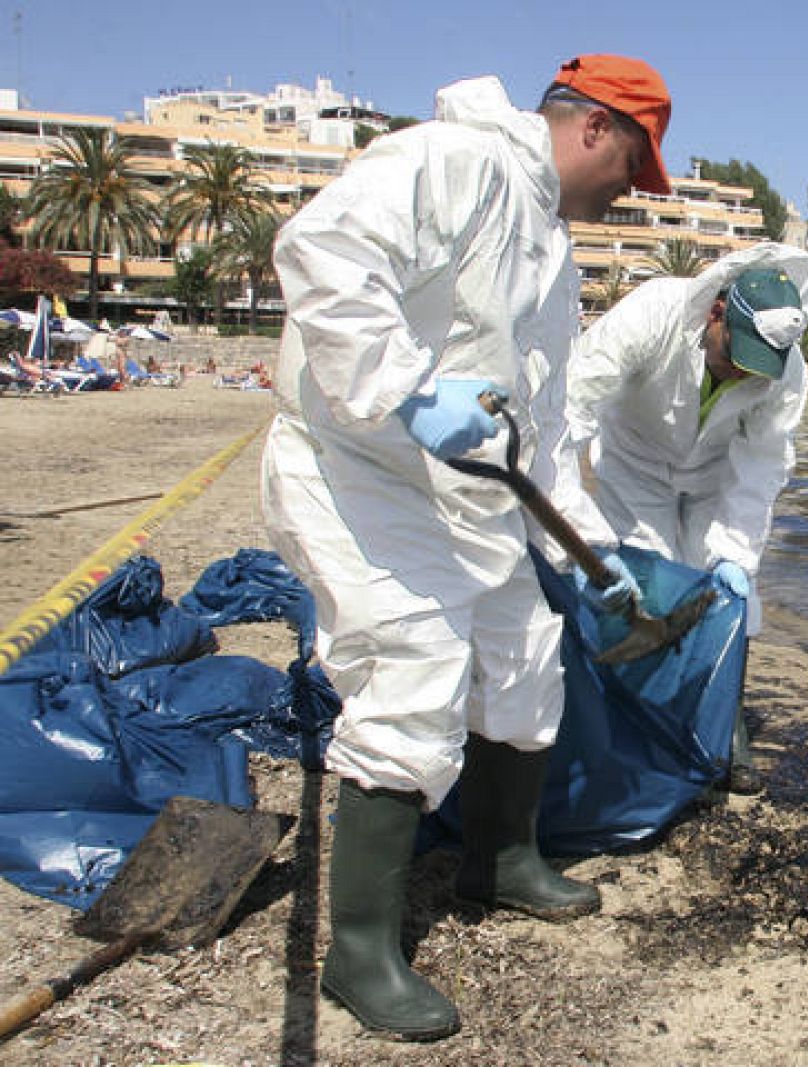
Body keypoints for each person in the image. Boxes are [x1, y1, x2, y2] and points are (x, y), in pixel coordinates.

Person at [259, 55, 673, 1042]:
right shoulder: (452, 160)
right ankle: (358, 949)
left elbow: (542, 423)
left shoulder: (553, 248)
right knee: (417, 663)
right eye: (635, 168)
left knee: (527, 656)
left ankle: (500, 856)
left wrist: (592, 553)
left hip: (467, 488)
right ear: (594, 130)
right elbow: (320, 248)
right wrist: (407, 387)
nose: (631, 193)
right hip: (356, 467)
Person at [567, 242, 808, 795]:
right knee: (647, 584)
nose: (737, 373)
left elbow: (762, 466)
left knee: (731, 594)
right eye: (734, 354)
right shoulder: (652, 314)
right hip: (636, 461)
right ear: (718, 311)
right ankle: (641, 719)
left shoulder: (785, 369)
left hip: (713, 472)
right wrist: (577, 529)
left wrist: (736, 555)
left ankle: (726, 730)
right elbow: (571, 409)